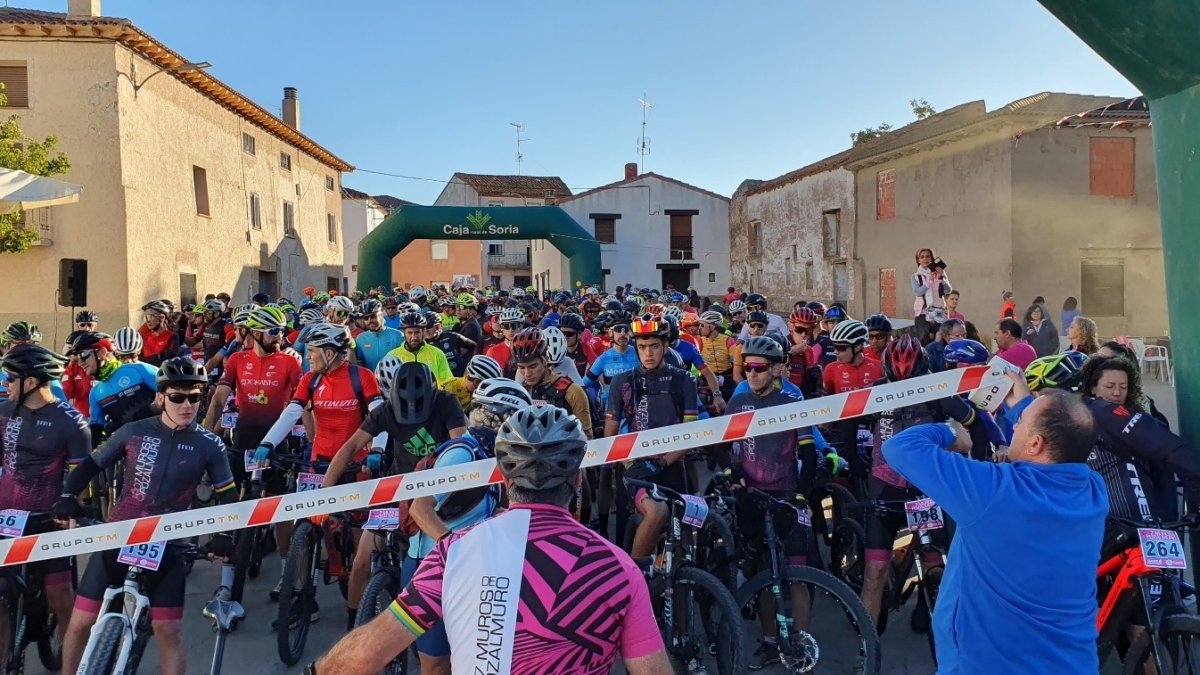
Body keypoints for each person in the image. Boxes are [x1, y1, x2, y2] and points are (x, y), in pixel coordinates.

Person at [309, 405, 670, 675]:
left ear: (502, 479)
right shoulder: (618, 569)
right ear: (577, 482)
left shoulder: (455, 552)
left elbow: (366, 655)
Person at [882, 389, 1105, 675]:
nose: (1013, 425)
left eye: (1020, 420)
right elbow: (1063, 433)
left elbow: (900, 447)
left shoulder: (992, 490)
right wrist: (1023, 400)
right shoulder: (1093, 491)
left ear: (1035, 443)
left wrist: (950, 431)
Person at [59, 357, 238, 675]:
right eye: (177, 397)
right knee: (80, 623)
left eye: (194, 397)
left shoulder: (210, 445)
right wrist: (66, 497)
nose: (186, 405)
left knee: (168, 633)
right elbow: (89, 465)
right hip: (118, 536)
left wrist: (224, 535)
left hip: (167, 546)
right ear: (161, 397)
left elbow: (227, 497)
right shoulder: (133, 432)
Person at [322, 362, 465, 631]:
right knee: (362, 560)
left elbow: (461, 445)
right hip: (396, 488)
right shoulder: (386, 410)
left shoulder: (447, 402)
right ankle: (353, 623)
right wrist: (325, 492)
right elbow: (352, 445)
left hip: (440, 489)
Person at [0, 344, 89, 658]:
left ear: (32, 381)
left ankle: (71, 661)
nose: (5, 382)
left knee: (61, 599)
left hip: (48, 518)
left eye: (10, 376)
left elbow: (78, 478)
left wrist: (70, 507)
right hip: (5, 515)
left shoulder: (72, 422)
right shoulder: (3, 412)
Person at [606, 316, 699, 558]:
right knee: (657, 513)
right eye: (642, 347)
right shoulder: (621, 382)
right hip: (636, 467)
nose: (648, 353)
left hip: (673, 464)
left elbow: (691, 434)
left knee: (685, 539)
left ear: (665, 346)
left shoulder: (685, 379)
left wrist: (663, 461)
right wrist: (627, 464)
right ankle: (635, 575)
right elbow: (611, 434)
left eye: (654, 346)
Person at [385, 311, 454, 387]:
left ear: (423, 332)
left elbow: (448, 382)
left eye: (417, 332)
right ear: (404, 333)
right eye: (410, 333)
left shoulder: (437, 353)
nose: (414, 337)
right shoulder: (392, 356)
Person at [352, 299, 405, 371]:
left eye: (373, 316)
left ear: (381, 315)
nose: (369, 321)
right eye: (366, 318)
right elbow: (359, 365)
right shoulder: (360, 339)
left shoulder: (398, 336)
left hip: (394, 380)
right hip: (370, 381)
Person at [912, 247, 951, 321]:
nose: (925, 259)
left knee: (940, 332)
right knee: (923, 332)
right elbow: (917, 293)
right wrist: (928, 283)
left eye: (928, 256)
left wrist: (941, 278)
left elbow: (948, 290)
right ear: (918, 260)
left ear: (932, 259)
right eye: (922, 257)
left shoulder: (940, 272)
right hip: (922, 312)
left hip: (939, 310)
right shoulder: (915, 276)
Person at [137, 300, 180, 367]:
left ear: (162, 318)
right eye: (146, 317)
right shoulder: (143, 337)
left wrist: (147, 360)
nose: (147, 321)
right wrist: (158, 356)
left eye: (151, 316)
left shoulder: (172, 336)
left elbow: (168, 358)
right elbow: (137, 359)